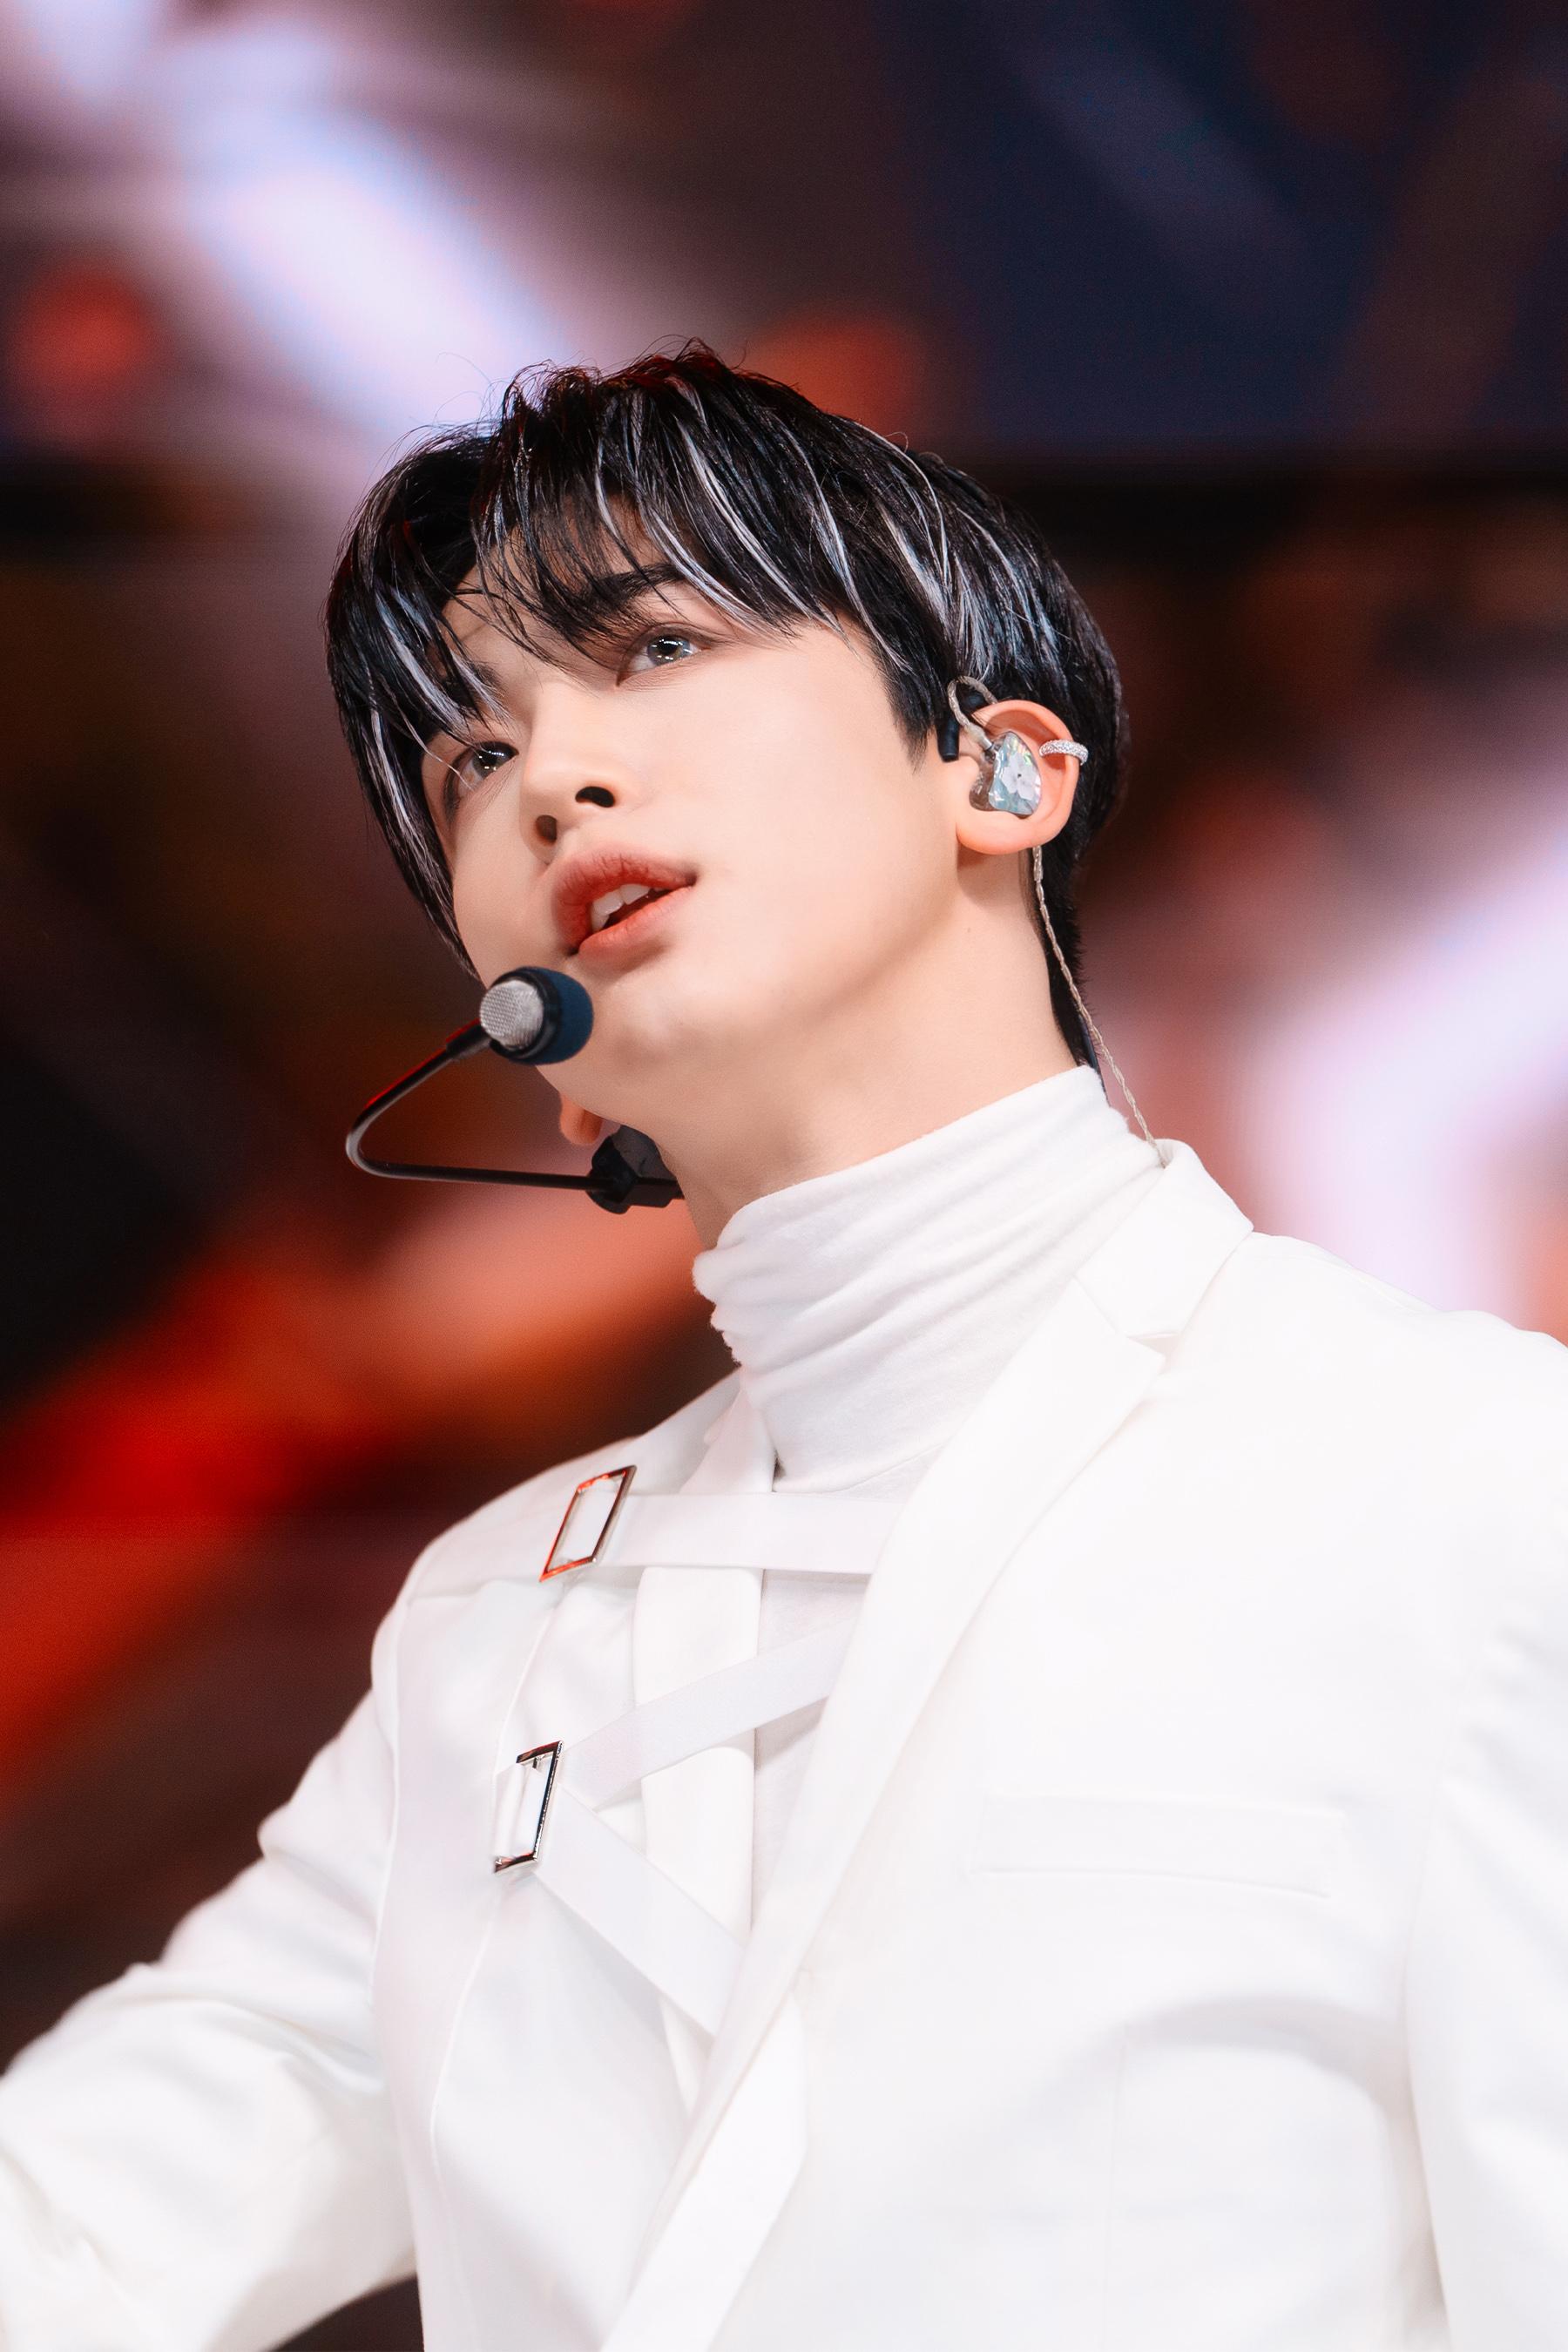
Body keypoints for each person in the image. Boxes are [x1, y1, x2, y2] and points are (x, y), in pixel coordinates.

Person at [1, 347, 1565, 2352]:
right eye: (471, 759)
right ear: (547, 1063)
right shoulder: (486, 1631)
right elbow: (86, 2217)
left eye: (656, 650)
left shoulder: (1477, 1493)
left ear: (1003, 774)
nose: (548, 776)